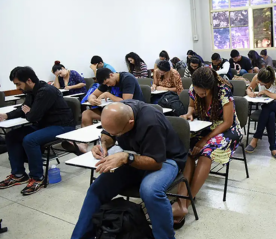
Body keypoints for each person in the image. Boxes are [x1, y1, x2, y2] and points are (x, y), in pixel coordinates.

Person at [71, 101, 187, 239]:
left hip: (166, 159)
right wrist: (103, 144)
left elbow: (156, 163)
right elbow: (108, 135)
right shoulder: (116, 112)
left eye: (117, 133)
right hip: (133, 155)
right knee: (97, 188)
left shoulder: (151, 122)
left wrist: (127, 158)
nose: (114, 135)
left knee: (150, 191)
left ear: (131, 123)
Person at [173, 68, 243, 227]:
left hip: (227, 130)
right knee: (188, 150)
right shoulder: (193, 88)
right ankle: (181, 203)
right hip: (205, 126)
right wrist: (189, 113)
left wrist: (205, 140)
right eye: (198, 93)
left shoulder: (223, 90)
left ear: (210, 87)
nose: (200, 96)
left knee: (206, 152)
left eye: (203, 94)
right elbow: (191, 106)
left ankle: (186, 204)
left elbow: (228, 122)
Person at [0, 66, 75, 195]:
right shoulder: (31, 91)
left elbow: (32, 116)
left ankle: (37, 178)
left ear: (28, 80)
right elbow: (25, 109)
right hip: (45, 125)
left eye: (18, 84)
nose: (18, 87)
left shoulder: (46, 91)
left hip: (62, 126)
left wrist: (29, 112)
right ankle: (18, 174)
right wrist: (6, 116)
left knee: (30, 140)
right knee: (11, 136)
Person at [76, 68, 144, 153]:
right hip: (114, 110)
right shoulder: (106, 81)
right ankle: (84, 144)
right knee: (86, 114)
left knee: (110, 119)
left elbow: (126, 101)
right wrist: (92, 99)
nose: (108, 85)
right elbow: (93, 94)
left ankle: (104, 144)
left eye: (108, 83)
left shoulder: (127, 78)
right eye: (105, 84)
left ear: (111, 75)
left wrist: (108, 94)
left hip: (130, 111)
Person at [244, 67, 276, 160]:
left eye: (262, 83)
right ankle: (273, 149)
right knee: (270, 114)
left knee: (267, 107)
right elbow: (249, 88)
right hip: (268, 107)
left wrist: (265, 92)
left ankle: (255, 138)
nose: (259, 84)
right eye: (259, 82)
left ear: (269, 81)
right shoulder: (257, 77)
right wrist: (250, 93)